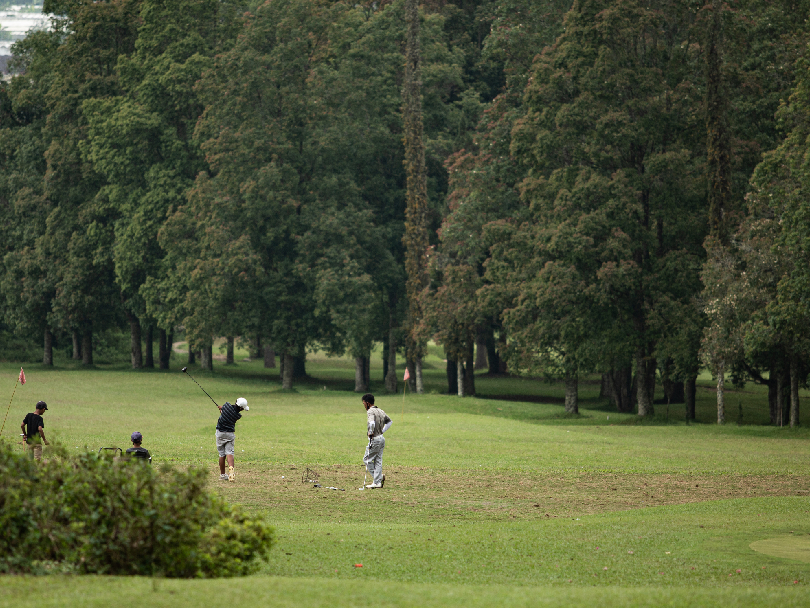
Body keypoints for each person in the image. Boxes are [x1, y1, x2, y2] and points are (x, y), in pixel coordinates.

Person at [215, 397, 249, 482]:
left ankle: (223, 475)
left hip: (220, 433)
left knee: (221, 454)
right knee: (230, 452)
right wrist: (222, 411)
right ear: (241, 408)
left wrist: (221, 409)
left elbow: (224, 409)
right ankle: (231, 472)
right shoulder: (237, 416)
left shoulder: (226, 405)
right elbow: (227, 413)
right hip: (229, 434)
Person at [362, 393, 391, 489]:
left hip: (375, 439)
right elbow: (389, 422)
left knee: (367, 459)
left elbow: (372, 422)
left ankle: (377, 479)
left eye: (364, 404)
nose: (364, 406)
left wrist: (371, 432)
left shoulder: (370, 411)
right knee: (378, 460)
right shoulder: (380, 411)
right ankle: (378, 480)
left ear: (368, 403)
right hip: (381, 438)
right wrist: (381, 431)